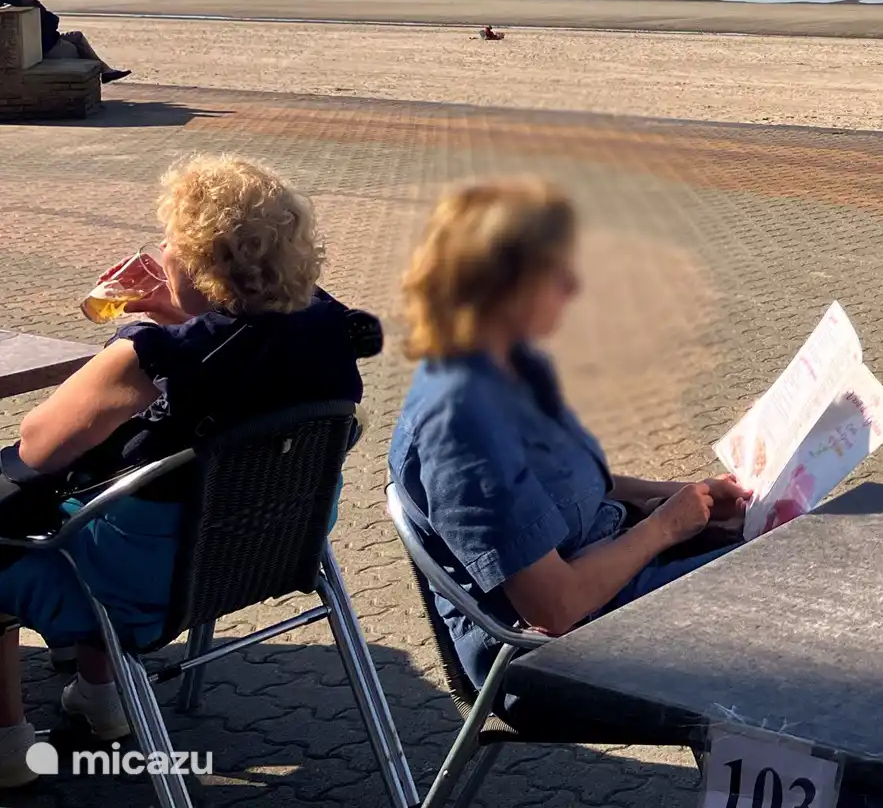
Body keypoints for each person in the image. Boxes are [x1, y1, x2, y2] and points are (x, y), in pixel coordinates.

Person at [0, 156, 362, 786]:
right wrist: (188, 315)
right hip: (262, 559)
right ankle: (101, 697)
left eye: (169, 240)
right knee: (119, 502)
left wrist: (143, 337)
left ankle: (8, 747)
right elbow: (245, 344)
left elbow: (38, 444)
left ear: (199, 260)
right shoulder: (331, 325)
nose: (161, 251)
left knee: (21, 509)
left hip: (140, 590)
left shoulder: (153, 356)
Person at [388, 179, 747, 691]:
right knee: (799, 583)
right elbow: (554, 607)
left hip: (614, 587)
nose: (574, 287)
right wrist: (664, 528)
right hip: (548, 658)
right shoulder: (462, 425)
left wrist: (685, 499)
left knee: (798, 545)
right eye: (556, 273)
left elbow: (576, 485)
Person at [0, 0, 130, 82]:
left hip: (48, 40)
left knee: (77, 36)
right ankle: (102, 74)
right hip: (45, 46)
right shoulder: (19, 1)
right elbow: (51, 22)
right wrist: (33, 2)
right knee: (78, 51)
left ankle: (106, 71)